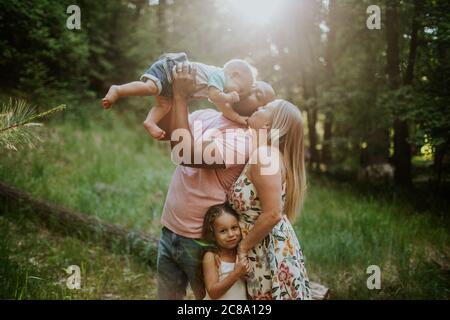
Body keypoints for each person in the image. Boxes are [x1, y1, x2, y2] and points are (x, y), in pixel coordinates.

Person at [154, 62, 275, 300]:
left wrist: (180, 97)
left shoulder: (245, 141)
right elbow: (165, 128)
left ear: (261, 110)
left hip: (201, 242)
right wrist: (169, 85)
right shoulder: (206, 115)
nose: (243, 89)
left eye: (253, 91)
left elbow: (183, 153)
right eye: (244, 83)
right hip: (169, 229)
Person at [228, 99, 311, 300]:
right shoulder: (267, 154)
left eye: (265, 108)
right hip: (266, 246)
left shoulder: (265, 156)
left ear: (269, 125)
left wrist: (243, 247)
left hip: (265, 251)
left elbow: (273, 213)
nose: (258, 106)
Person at [102, 52, 256, 139]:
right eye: (240, 90)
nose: (238, 95)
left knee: (164, 105)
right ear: (234, 75)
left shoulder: (221, 87)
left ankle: (150, 122)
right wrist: (229, 97)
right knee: (150, 87)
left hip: (173, 83)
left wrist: (238, 118)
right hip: (169, 69)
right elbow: (216, 97)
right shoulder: (219, 75)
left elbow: (223, 108)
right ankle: (118, 90)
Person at [202, 204, 250, 300]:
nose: (231, 234)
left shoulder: (242, 253)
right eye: (223, 231)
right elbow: (213, 293)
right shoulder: (211, 257)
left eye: (234, 228)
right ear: (212, 234)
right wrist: (236, 274)